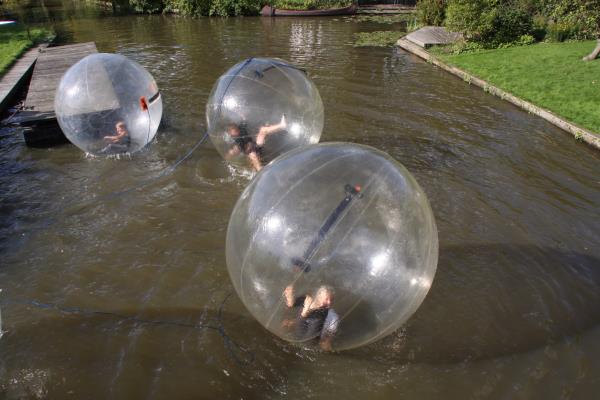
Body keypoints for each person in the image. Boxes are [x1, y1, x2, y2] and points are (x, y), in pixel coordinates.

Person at [282, 283, 339, 351]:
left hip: (311, 341)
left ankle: (304, 314)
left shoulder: (332, 316)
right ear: (319, 296)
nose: (329, 302)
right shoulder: (307, 300)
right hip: (298, 334)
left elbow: (331, 332)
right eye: (326, 299)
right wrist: (289, 295)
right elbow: (291, 304)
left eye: (331, 300)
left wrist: (327, 341)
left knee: (307, 341)